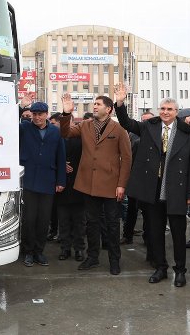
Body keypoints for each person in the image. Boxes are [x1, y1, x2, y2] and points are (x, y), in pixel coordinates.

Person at [114, 83, 190, 287]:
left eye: (169, 109)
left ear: (176, 112)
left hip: (176, 189)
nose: (165, 112)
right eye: (162, 108)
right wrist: (120, 102)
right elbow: (126, 123)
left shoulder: (187, 132)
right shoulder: (149, 126)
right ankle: (161, 267)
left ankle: (180, 270)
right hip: (152, 188)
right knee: (155, 231)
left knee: (178, 234)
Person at [59, 93, 132, 275]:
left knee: (113, 224)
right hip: (88, 184)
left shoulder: (118, 130)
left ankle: (114, 260)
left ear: (109, 109)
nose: (95, 106)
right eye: (94, 104)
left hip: (111, 185)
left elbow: (127, 159)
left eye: (98, 104)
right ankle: (92, 258)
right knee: (91, 223)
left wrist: (121, 184)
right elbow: (65, 133)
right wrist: (66, 114)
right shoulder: (85, 125)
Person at [18, 100, 66, 267]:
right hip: (29, 179)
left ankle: (39, 251)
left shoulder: (55, 131)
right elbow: (8, 124)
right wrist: (21, 107)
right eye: (34, 114)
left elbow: (61, 156)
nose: (37, 117)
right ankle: (28, 251)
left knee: (44, 220)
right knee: (29, 219)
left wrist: (61, 180)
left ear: (46, 114)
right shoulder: (24, 128)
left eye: (40, 114)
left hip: (48, 181)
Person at [49, 113, 86, 262]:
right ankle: (65, 248)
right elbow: (49, 156)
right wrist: (61, 164)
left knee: (79, 222)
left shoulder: (83, 137)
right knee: (63, 220)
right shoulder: (56, 137)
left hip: (79, 184)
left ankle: (79, 249)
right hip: (61, 184)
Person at [121, 111, 154, 246]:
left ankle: (148, 237)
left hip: (150, 178)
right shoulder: (132, 135)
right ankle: (127, 235)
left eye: (149, 120)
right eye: (143, 120)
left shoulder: (157, 135)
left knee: (148, 211)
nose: (146, 122)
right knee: (132, 209)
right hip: (135, 176)